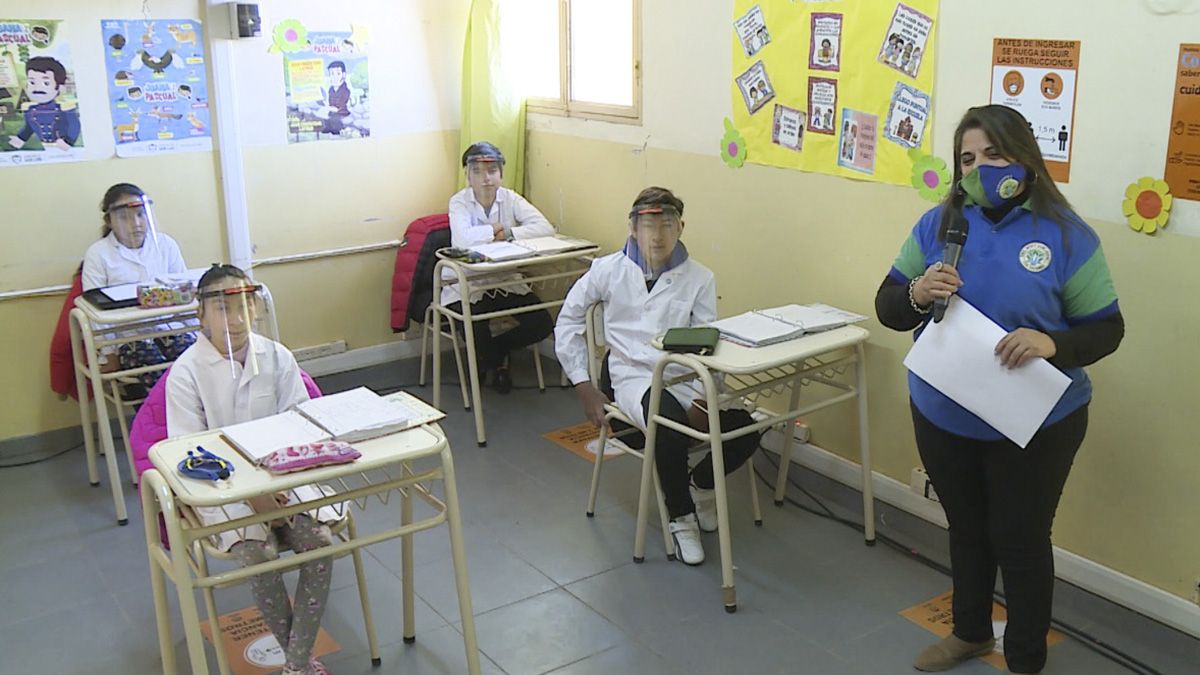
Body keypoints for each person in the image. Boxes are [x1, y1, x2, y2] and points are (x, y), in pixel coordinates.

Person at [874, 105, 1123, 673]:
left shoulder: (1066, 236)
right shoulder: (939, 226)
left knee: (1020, 537)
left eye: (993, 154)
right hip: (943, 410)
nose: (980, 167)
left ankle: (1026, 658)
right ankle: (969, 633)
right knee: (966, 527)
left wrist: (1051, 343)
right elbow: (888, 305)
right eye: (968, 157)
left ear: (1024, 156)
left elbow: (1107, 329)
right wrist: (917, 290)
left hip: (1036, 418)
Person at [555, 187, 761, 566]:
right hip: (632, 376)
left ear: (681, 228)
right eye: (648, 224)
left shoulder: (699, 277)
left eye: (667, 224)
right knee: (665, 420)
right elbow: (568, 320)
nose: (658, 234)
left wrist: (702, 398)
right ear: (633, 228)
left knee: (748, 428)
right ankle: (681, 518)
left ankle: (701, 485)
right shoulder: (607, 270)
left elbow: (707, 344)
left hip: (687, 376)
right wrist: (583, 385)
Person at [167, 264, 338, 675]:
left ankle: (296, 664)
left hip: (286, 481)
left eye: (245, 305)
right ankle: (300, 662)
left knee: (320, 543)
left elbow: (302, 426)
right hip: (224, 492)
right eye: (223, 309)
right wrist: (251, 493)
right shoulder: (186, 373)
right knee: (257, 555)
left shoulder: (277, 356)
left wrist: (277, 484)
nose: (238, 318)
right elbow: (190, 456)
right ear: (200, 316)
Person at [443, 141, 555, 394]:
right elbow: (462, 240)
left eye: (492, 171)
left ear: (501, 173)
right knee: (475, 330)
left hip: (505, 281)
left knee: (541, 323)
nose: (486, 179)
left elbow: (545, 227)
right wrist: (491, 230)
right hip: (467, 282)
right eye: (478, 172)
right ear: (468, 176)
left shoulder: (510, 198)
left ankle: (495, 354)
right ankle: (493, 362)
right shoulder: (459, 202)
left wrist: (509, 233)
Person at [82, 183, 193, 390]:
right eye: (124, 217)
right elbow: (93, 311)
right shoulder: (98, 254)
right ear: (109, 220)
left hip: (171, 329)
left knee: (193, 365)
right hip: (128, 338)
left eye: (141, 214)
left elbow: (184, 292)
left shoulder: (166, 245)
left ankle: (199, 419)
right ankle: (161, 420)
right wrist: (109, 352)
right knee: (157, 374)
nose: (136, 223)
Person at [6, 56, 80, 151]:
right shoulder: (30, 110)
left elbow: (74, 126)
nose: (37, 88)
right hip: (44, 148)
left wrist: (69, 141)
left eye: (46, 83)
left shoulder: (64, 108)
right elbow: (29, 127)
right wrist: (21, 138)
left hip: (64, 147)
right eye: (32, 82)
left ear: (59, 87)